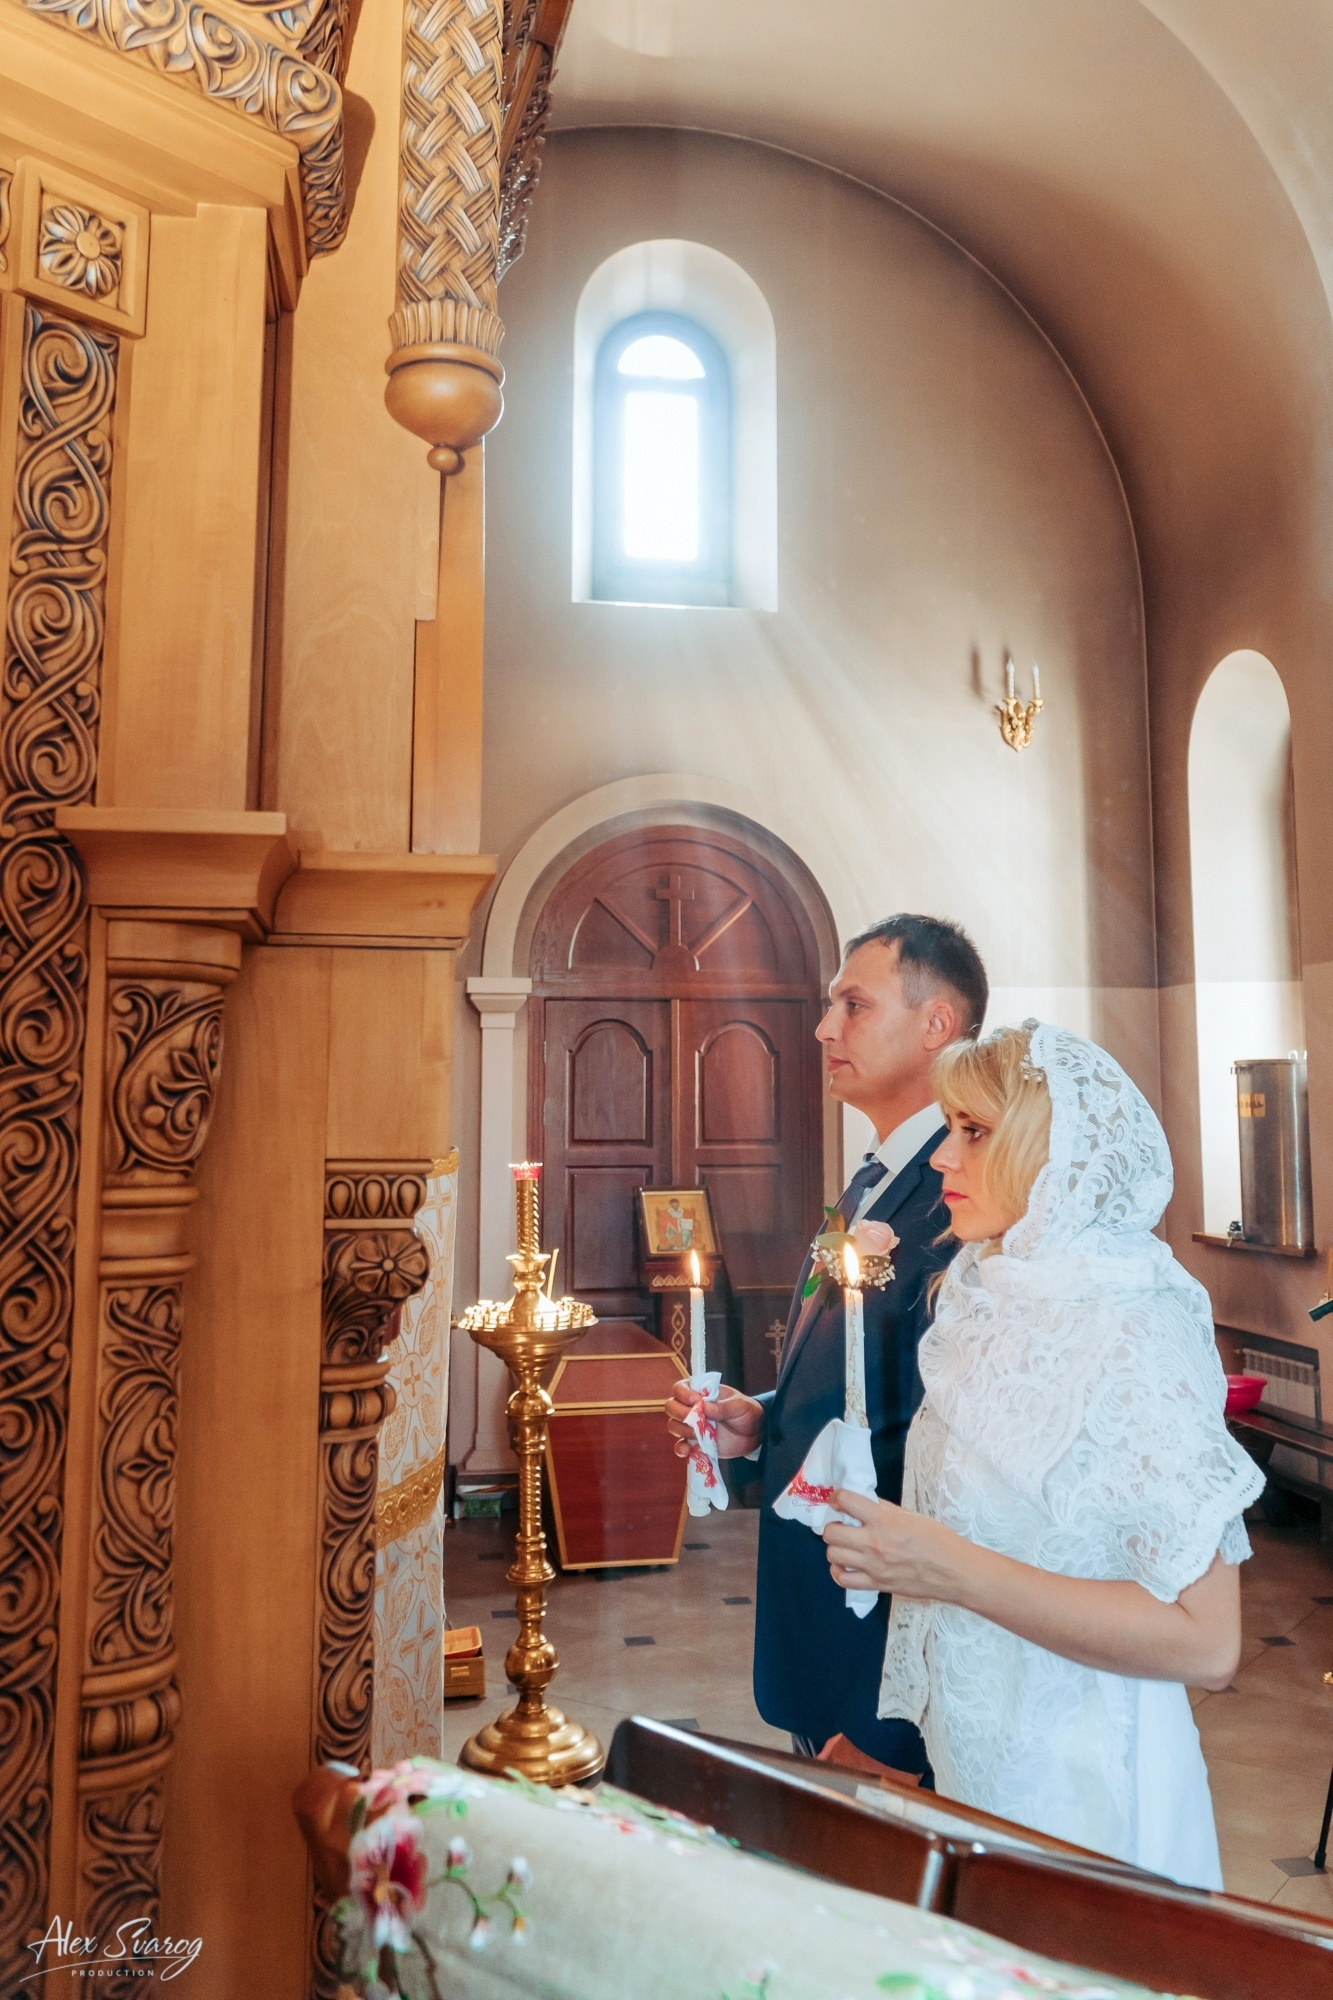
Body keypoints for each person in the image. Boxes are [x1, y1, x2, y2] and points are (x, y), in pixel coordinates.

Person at [824, 1022, 1262, 1887]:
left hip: (1089, 1790)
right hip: (980, 1760)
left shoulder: (1132, 1325)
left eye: (973, 1132)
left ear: (1053, 1151)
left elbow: (1207, 1644)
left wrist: (948, 1568)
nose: (943, 1158)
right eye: (948, 1128)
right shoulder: (987, 1296)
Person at [665, 914, 989, 1766]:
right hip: (819, 1613)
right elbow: (863, 1379)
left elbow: (949, 1428)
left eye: (853, 1004)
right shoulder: (876, 1179)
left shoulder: (963, 1199)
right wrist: (762, 1417)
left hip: (882, 1636)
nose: (823, 1028)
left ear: (936, 1026)